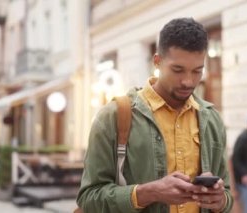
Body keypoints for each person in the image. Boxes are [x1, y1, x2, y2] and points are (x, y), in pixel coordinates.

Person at [76, 18, 233, 213]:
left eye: (197, 71)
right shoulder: (114, 116)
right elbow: (88, 199)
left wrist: (220, 201)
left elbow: (226, 195)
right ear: (157, 62)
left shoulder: (212, 119)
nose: (188, 81)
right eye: (177, 70)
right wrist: (149, 192)